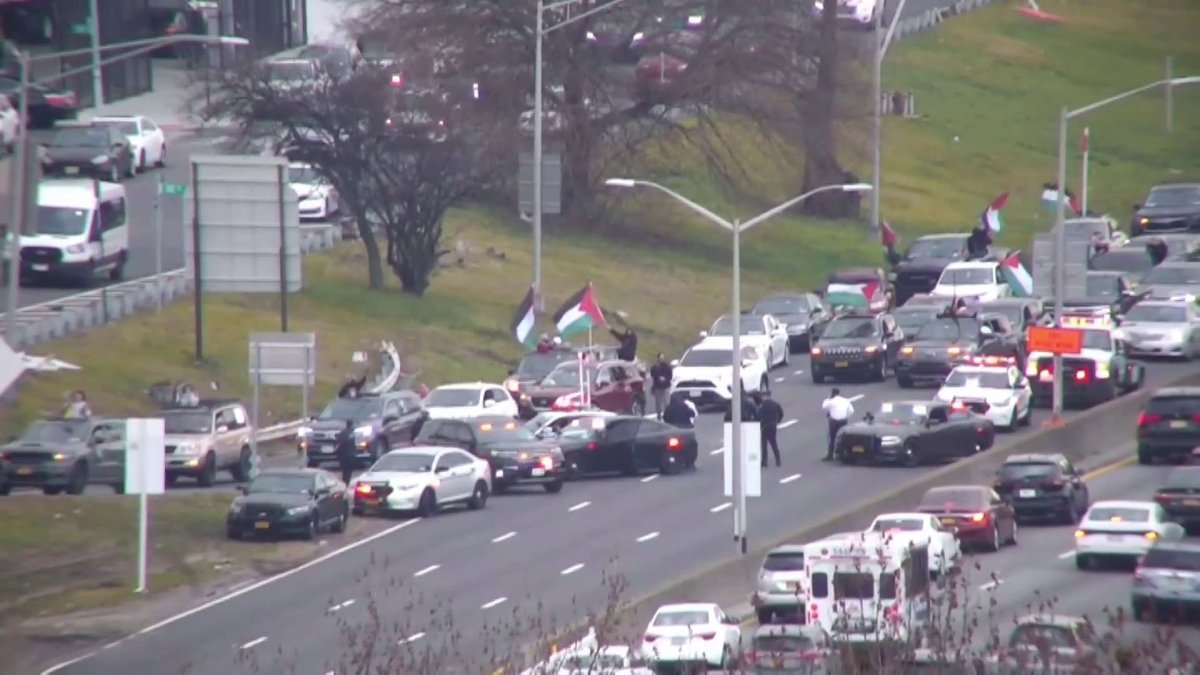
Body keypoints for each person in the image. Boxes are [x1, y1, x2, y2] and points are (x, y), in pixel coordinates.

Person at [821, 388, 854, 461]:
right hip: (843, 421)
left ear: (832, 393)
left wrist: (828, 399)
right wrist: (846, 416)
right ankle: (843, 455)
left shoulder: (831, 401)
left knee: (832, 438)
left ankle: (830, 455)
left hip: (834, 422)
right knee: (843, 437)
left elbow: (824, 407)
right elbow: (851, 410)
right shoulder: (845, 400)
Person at [757, 390, 784, 468]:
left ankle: (764, 462)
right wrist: (778, 420)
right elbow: (781, 413)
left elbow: (758, 416)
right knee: (774, 444)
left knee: (764, 445)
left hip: (764, 427)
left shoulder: (762, 406)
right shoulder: (775, 404)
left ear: (765, 396)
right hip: (773, 427)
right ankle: (778, 460)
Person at [649, 353, 673, 419]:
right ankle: (659, 415)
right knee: (658, 403)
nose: (661, 360)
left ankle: (667, 415)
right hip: (657, 387)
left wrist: (665, 379)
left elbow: (670, 376)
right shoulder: (655, 367)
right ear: (658, 359)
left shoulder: (668, 367)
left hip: (666, 386)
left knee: (667, 402)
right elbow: (652, 375)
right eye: (660, 358)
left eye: (663, 358)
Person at [335, 419, 358, 484]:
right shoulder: (353, 433)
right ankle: (346, 482)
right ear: (352, 425)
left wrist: (336, 452)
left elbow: (339, 444)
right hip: (350, 454)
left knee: (345, 471)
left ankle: (345, 482)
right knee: (348, 471)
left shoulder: (343, 433)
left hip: (343, 455)